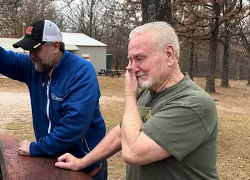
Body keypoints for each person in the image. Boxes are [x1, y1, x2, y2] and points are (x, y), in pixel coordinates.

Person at [0, 6, 107, 179]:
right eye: (28, 50)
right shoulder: (35, 68)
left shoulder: (80, 72)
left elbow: (74, 125)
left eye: (36, 49)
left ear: (56, 46)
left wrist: (37, 148)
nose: (31, 55)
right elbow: (0, 57)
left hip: (86, 167)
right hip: (53, 164)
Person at [55, 21, 219, 180]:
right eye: (130, 59)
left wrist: (129, 95)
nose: (131, 67)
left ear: (169, 55)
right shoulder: (149, 93)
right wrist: (82, 162)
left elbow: (134, 152)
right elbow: (121, 134)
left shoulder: (193, 103)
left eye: (139, 58)